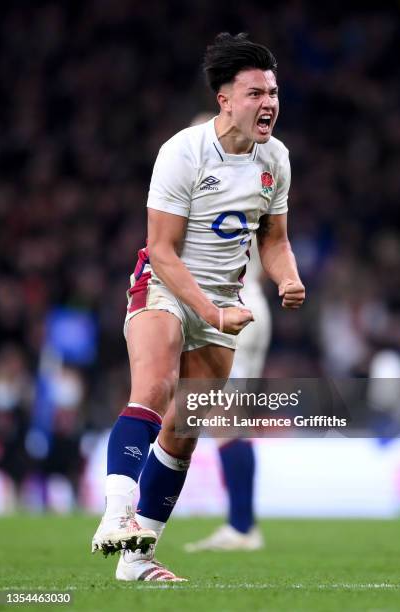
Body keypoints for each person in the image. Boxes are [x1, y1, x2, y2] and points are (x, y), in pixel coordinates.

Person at [92, 32, 305, 582]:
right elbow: (161, 250)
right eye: (256, 92)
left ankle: (137, 560)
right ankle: (115, 514)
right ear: (225, 99)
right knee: (157, 388)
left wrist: (288, 278)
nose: (269, 103)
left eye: (274, 92)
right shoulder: (182, 151)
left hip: (225, 303)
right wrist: (209, 313)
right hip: (165, 286)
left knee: (184, 430)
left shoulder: (275, 158)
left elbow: (273, 239)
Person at [184, 237, 271, 552]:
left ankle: (241, 527)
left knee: (224, 419)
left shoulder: (217, 197)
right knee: (233, 422)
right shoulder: (260, 200)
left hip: (230, 309)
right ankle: (244, 524)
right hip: (249, 301)